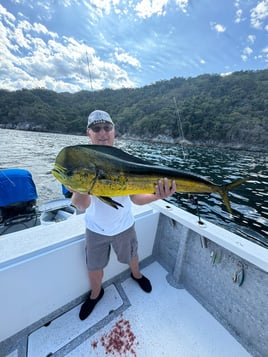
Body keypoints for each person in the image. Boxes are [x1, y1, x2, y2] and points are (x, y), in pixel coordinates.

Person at [71, 110, 176, 320]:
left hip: (124, 226)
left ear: (114, 131)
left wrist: (158, 195)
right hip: (95, 229)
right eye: (96, 128)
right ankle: (95, 293)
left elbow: (136, 198)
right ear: (88, 133)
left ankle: (136, 274)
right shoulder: (79, 163)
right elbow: (80, 205)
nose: (102, 133)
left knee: (132, 256)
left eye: (107, 128)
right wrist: (84, 187)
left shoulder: (124, 160)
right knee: (94, 266)